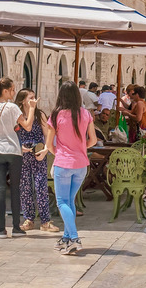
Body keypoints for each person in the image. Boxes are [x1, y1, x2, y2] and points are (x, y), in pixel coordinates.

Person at [46, 81, 97, 255]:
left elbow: (49, 144)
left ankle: (74, 238)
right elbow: (94, 140)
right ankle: (66, 238)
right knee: (70, 200)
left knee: (62, 202)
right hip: (81, 164)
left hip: (63, 163)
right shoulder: (85, 114)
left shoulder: (56, 115)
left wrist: (59, 152)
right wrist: (82, 148)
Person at [0, 77, 28, 239]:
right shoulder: (12, 107)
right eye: (13, 89)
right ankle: (16, 228)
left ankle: (1, 228)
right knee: (15, 188)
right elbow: (27, 126)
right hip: (14, 151)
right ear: (5, 91)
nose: (14, 92)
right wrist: (32, 108)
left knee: (0, 189)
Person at [15, 88, 60, 233]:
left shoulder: (40, 114)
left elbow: (48, 134)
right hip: (22, 155)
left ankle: (45, 221)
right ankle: (29, 219)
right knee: (25, 187)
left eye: (34, 97)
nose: (34, 100)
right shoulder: (18, 115)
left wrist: (46, 149)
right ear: (23, 100)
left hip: (38, 152)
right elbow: (13, 134)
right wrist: (19, 146)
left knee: (41, 186)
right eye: (30, 97)